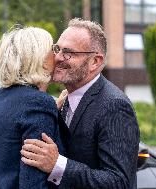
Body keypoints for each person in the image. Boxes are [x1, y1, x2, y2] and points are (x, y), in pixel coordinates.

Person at [21, 18, 140, 189]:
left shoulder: (115, 106)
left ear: (95, 62)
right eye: (57, 49)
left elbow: (119, 182)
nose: (58, 58)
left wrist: (58, 165)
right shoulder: (64, 101)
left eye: (68, 52)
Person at [0, 26, 64, 189]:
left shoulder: (0, 96)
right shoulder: (38, 103)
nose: (57, 55)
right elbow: (33, 181)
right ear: (39, 59)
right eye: (53, 49)